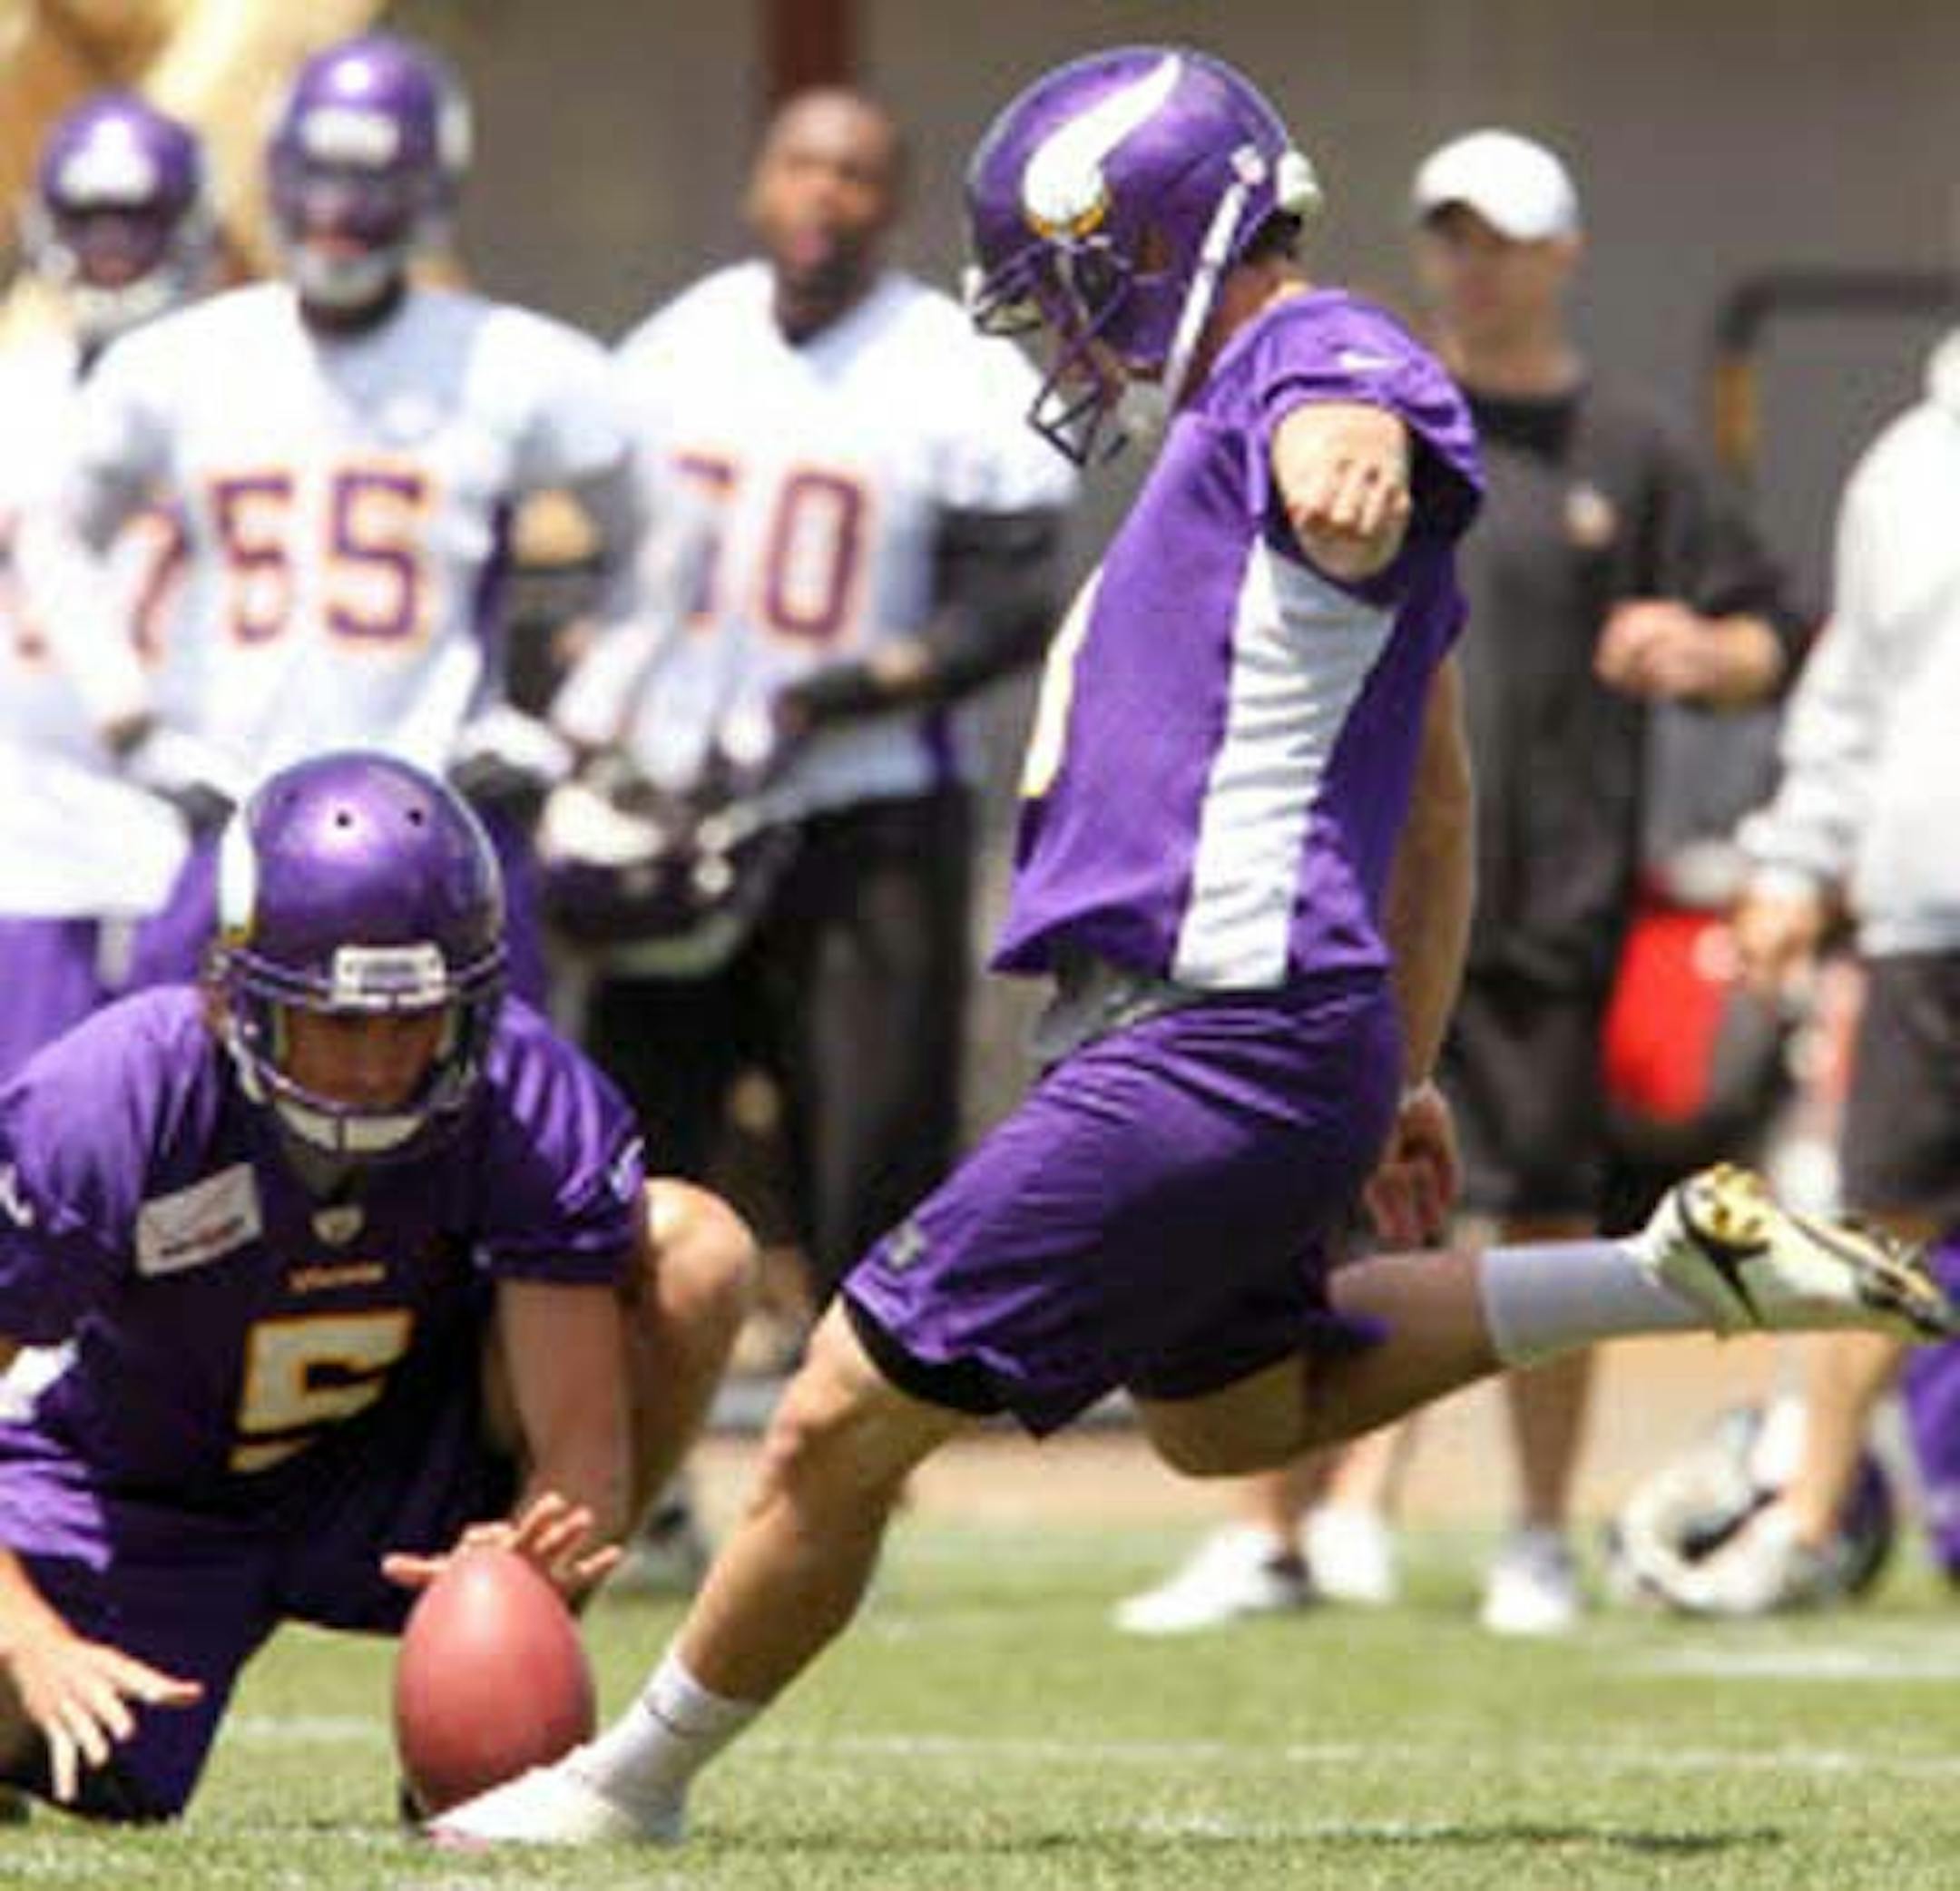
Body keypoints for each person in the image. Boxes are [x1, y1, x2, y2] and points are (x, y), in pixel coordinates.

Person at [426, 48, 1951, 1849]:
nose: (1061, 339)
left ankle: (630, 1787)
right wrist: (1397, 1063)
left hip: (1207, 1036)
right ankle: (1675, 1270)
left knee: (845, 1396)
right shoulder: (1233, 456)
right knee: (1237, 1422)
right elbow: (1435, 810)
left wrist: (1348, 457)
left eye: (1067, 288)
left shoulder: (1308, 369)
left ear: (1151, 239)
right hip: (1259, 1031)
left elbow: (1357, 394)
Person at [1116, 126, 1808, 1639]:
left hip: (1550, 884)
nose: (1471, 263)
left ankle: (1536, 1535)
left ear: (1561, 255)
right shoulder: (1356, 416)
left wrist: (1703, 656)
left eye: (1501, 238)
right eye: (1450, 234)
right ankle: (1287, 1529)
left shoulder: (1631, 449)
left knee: (1542, 1216)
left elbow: (1774, 629)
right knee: (1302, 1201)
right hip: (1338, 876)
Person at [0, 750, 756, 1821]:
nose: (377, 1062)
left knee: (695, 1246)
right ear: (235, 991)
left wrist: (537, 1542)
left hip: (397, 1472)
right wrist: (28, 1637)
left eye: (414, 1019)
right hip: (135, 1488)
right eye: (339, 1019)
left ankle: (495, 1735)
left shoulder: (524, 1094)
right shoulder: (111, 1097)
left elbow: (580, 1439)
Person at [546, 85, 1074, 1322]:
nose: (821, 198)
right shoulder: (680, 346)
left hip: (868, 807)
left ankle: (852, 1457)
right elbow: (580, 550)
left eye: (852, 176)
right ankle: (637, 1459)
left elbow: (1006, 607)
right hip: (681, 805)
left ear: (891, 203)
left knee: (869, 1148)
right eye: (800, 166)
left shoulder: (954, 367)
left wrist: (830, 696)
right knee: (644, 1135)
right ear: (757, 181)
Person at [17, 31, 662, 1010]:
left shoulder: (518, 363)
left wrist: (575, 723)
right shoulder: (187, 359)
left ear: (431, 187)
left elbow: (673, 529)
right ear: (273, 175)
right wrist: (133, 723)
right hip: (232, 816)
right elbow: (54, 532)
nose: (336, 214)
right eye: (316, 178)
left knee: (487, 1128)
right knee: (172, 1121)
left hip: (439, 826)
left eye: (369, 185)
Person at [1672, 323, 1960, 1612]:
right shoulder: (1907, 464)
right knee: (1882, 1228)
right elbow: (1851, 694)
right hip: (1927, 911)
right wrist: (1793, 862)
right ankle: (1803, 1521)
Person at [0, 93, 213, 1081]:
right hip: (27, 824)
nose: (115, 246)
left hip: (195, 811)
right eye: (92, 219)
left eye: (141, 219)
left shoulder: (245, 385)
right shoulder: (16, 390)